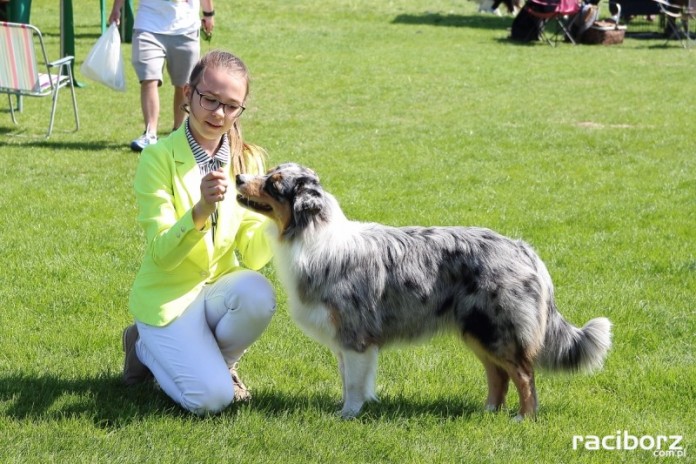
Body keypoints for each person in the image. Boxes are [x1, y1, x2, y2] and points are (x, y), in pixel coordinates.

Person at [121, 50, 277, 416]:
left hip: (217, 290)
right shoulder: (157, 158)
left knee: (258, 293)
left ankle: (217, 365)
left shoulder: (248, 160)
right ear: (188, 93)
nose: (219, 114)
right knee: (211, 401)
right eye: (210, 99)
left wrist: (282, 216)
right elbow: (162, 252)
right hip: (167, 297)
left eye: (231, 106)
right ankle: (143, 345)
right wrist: (201, 211)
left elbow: (254, 255)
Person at [108, 0, 215, 152]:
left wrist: (209, 14)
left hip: (186, 28)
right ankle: (150, 133)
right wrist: (116, 9)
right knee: (148, 78)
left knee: (184, 85)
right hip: (148, 25)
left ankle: (179, 134)